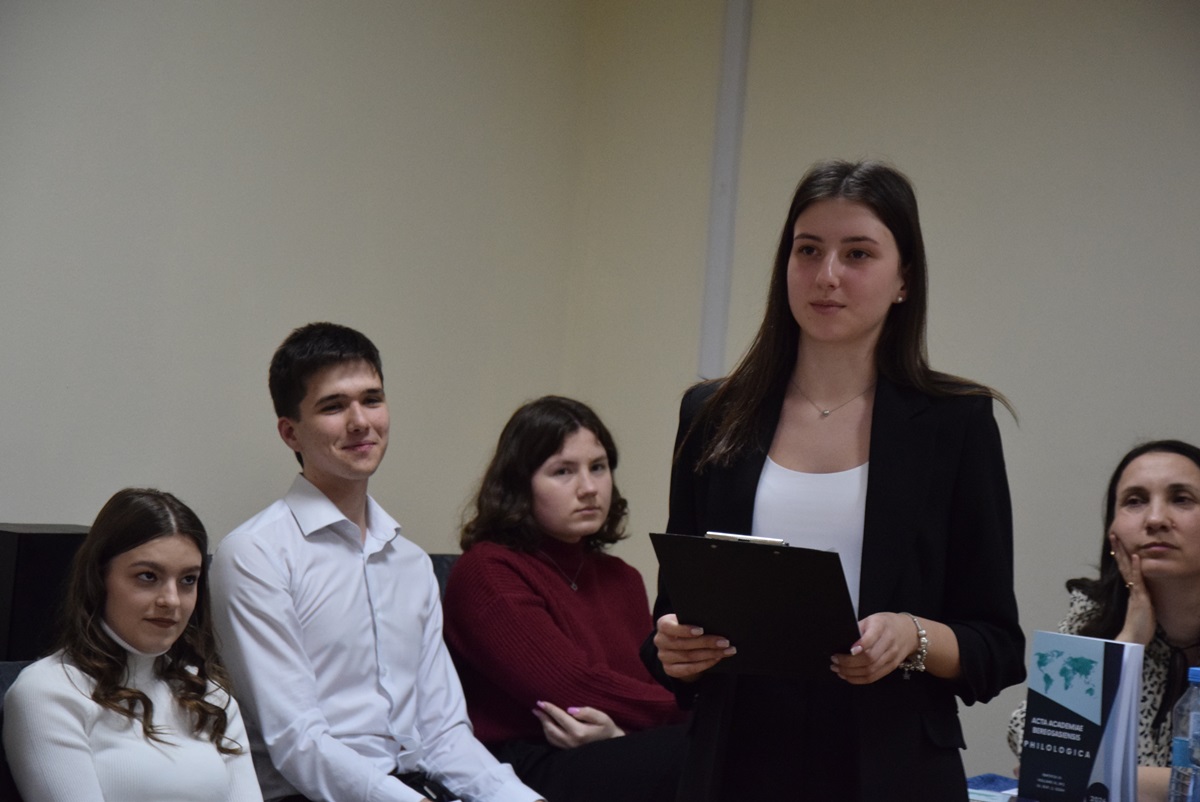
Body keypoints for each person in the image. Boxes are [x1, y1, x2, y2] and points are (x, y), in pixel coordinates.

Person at [642, 159, 1026, 802]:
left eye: (858, 254)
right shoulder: (711, 413)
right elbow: (673, 616)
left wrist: (912, 637)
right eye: (808, 250)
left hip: (890, 764)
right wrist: (673, 650)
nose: (827, 275)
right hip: (737, 758)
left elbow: (997, 646)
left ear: (904, 279)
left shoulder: (956, 423)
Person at [209, 322, 543, 802]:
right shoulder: (255, 554)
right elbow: (298, 743)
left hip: (416, 786)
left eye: (372, 399)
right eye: (333, 406)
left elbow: (444, 734)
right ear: (290, 432)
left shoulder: (411, 562)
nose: (360, 421)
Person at [442, 396, 687, 802]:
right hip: (521, 765)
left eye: (598, 467)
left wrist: (620, 734)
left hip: (612, 744)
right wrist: (695, 711)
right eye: (563, 471)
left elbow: (642, 684)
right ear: (520, 486)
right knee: (699, 751)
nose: (589, 488)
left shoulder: (622, 577)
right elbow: (571, 687)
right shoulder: (487, 570)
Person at [2, 488, 262, 802]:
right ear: (99, 579)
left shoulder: (210, 695)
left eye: (188, 580)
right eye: (148, 576)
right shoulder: (50, 692)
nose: (171, 600)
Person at [1008, 439, 1200, 802]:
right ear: (1113, 532)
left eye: (1182, 499)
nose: (1156, 519)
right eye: (1135, 501)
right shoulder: (1093, 613)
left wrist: (1102, 777)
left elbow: (1066, 774)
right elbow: (1037, 743)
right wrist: (1128, 642)